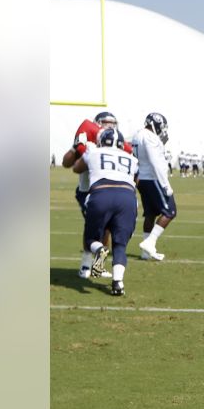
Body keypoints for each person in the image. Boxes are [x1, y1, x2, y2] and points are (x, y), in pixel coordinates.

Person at [72, 126, 140, 296]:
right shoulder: (131, 158)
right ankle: (118, 283)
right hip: (127, 196)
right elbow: (136, 179)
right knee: (120, 245)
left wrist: (84, 149)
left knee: (90, 240)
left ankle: (99, 250)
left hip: (101, 193)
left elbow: (76, 168)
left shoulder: (93, 152)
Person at [62, 110, 122, 277]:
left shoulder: (116, 145)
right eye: (106, 123)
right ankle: (86, 265)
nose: (109, 127)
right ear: (97, 124)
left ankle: (98, 265)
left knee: (107, 229)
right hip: (88, 192)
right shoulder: (89, 143)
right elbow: (67, 163)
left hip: (108, 191)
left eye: (113, 123)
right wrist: (76, 147)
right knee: (94, 228)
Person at [132, 113, 174, 261]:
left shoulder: (138, 135)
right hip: (153, 178)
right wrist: (165, 184)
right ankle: (150, 242)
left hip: (143, 178)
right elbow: (155, 161)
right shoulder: (150, 137)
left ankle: (145, 253)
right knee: (170, 211)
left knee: (150, 214)